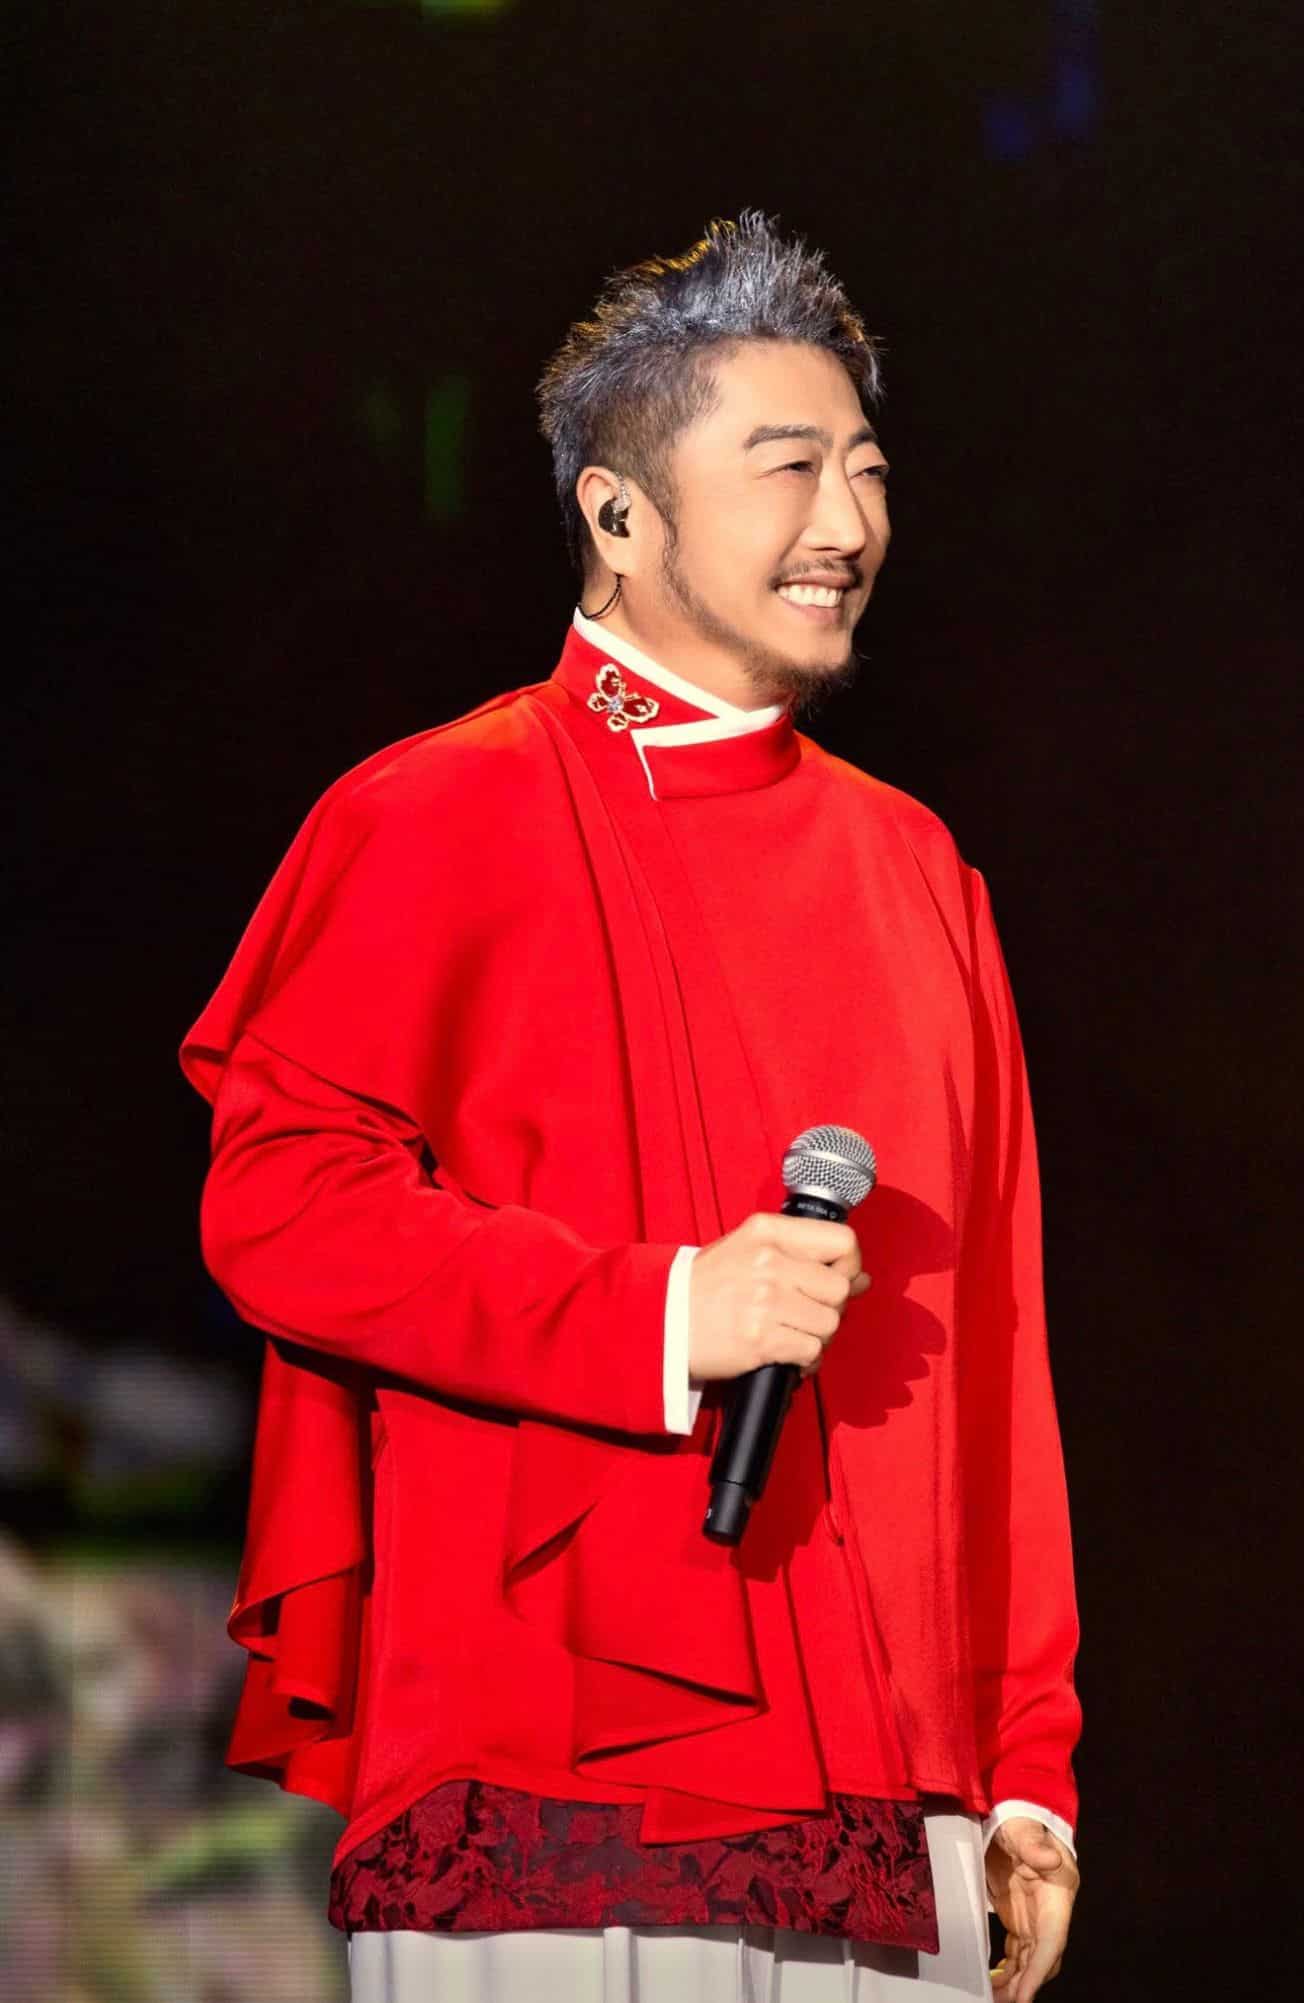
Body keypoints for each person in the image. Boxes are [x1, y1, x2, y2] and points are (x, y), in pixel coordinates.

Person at [180, 212, 1082, 2003]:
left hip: (896, 1802)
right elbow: (279, 1206)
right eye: (788, 468)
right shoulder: (434, 812)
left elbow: (995, 1347)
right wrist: (663, 1314)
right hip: (542, 1770)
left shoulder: (920, 871)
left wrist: (1026, 1761)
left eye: (867, 470)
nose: (847, 523)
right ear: (616, 514)